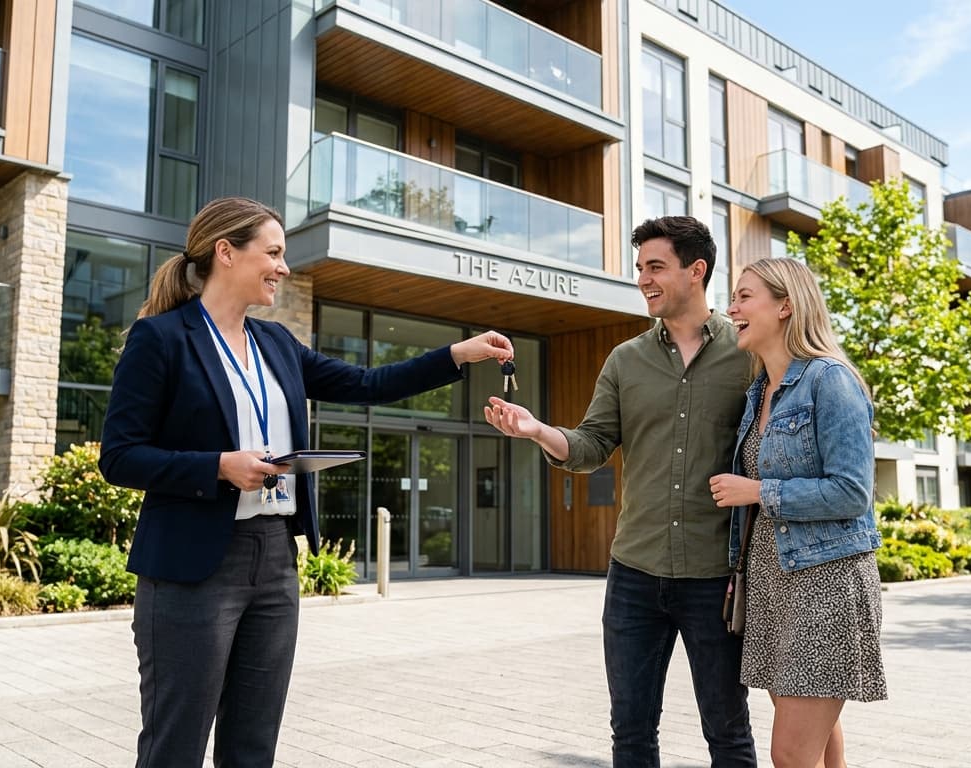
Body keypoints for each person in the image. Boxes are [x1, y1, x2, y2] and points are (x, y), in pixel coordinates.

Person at [98, 196, 513, 768]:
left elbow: (367, 384)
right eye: (272, 253)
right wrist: (219, 465)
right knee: (175, 744)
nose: (284, 268)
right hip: (192, 568)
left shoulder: (277, 344)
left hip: (274, 561)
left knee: (253, 745)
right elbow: (120, 457)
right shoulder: (162, 339)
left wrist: (456, 355)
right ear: (226, 253)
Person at [485, 216, 756, 767]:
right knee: (631, 732)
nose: (643, 280)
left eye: (655, 267)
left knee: (727, 732)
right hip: (634, 575)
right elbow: (591, 444)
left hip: (714, 578)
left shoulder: (747, 355)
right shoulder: (625, 360)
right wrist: (538, 430)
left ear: (696, 270)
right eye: (640, 268)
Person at [708, 257, 886, 768]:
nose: (732, 307)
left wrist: (758, 491)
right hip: (770, 587)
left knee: (789, 754)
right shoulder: (758, 392)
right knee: (818, 743)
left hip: (824, 586)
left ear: (786, 305)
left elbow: (853, 493)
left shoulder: (830, 380)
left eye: (744, 297)